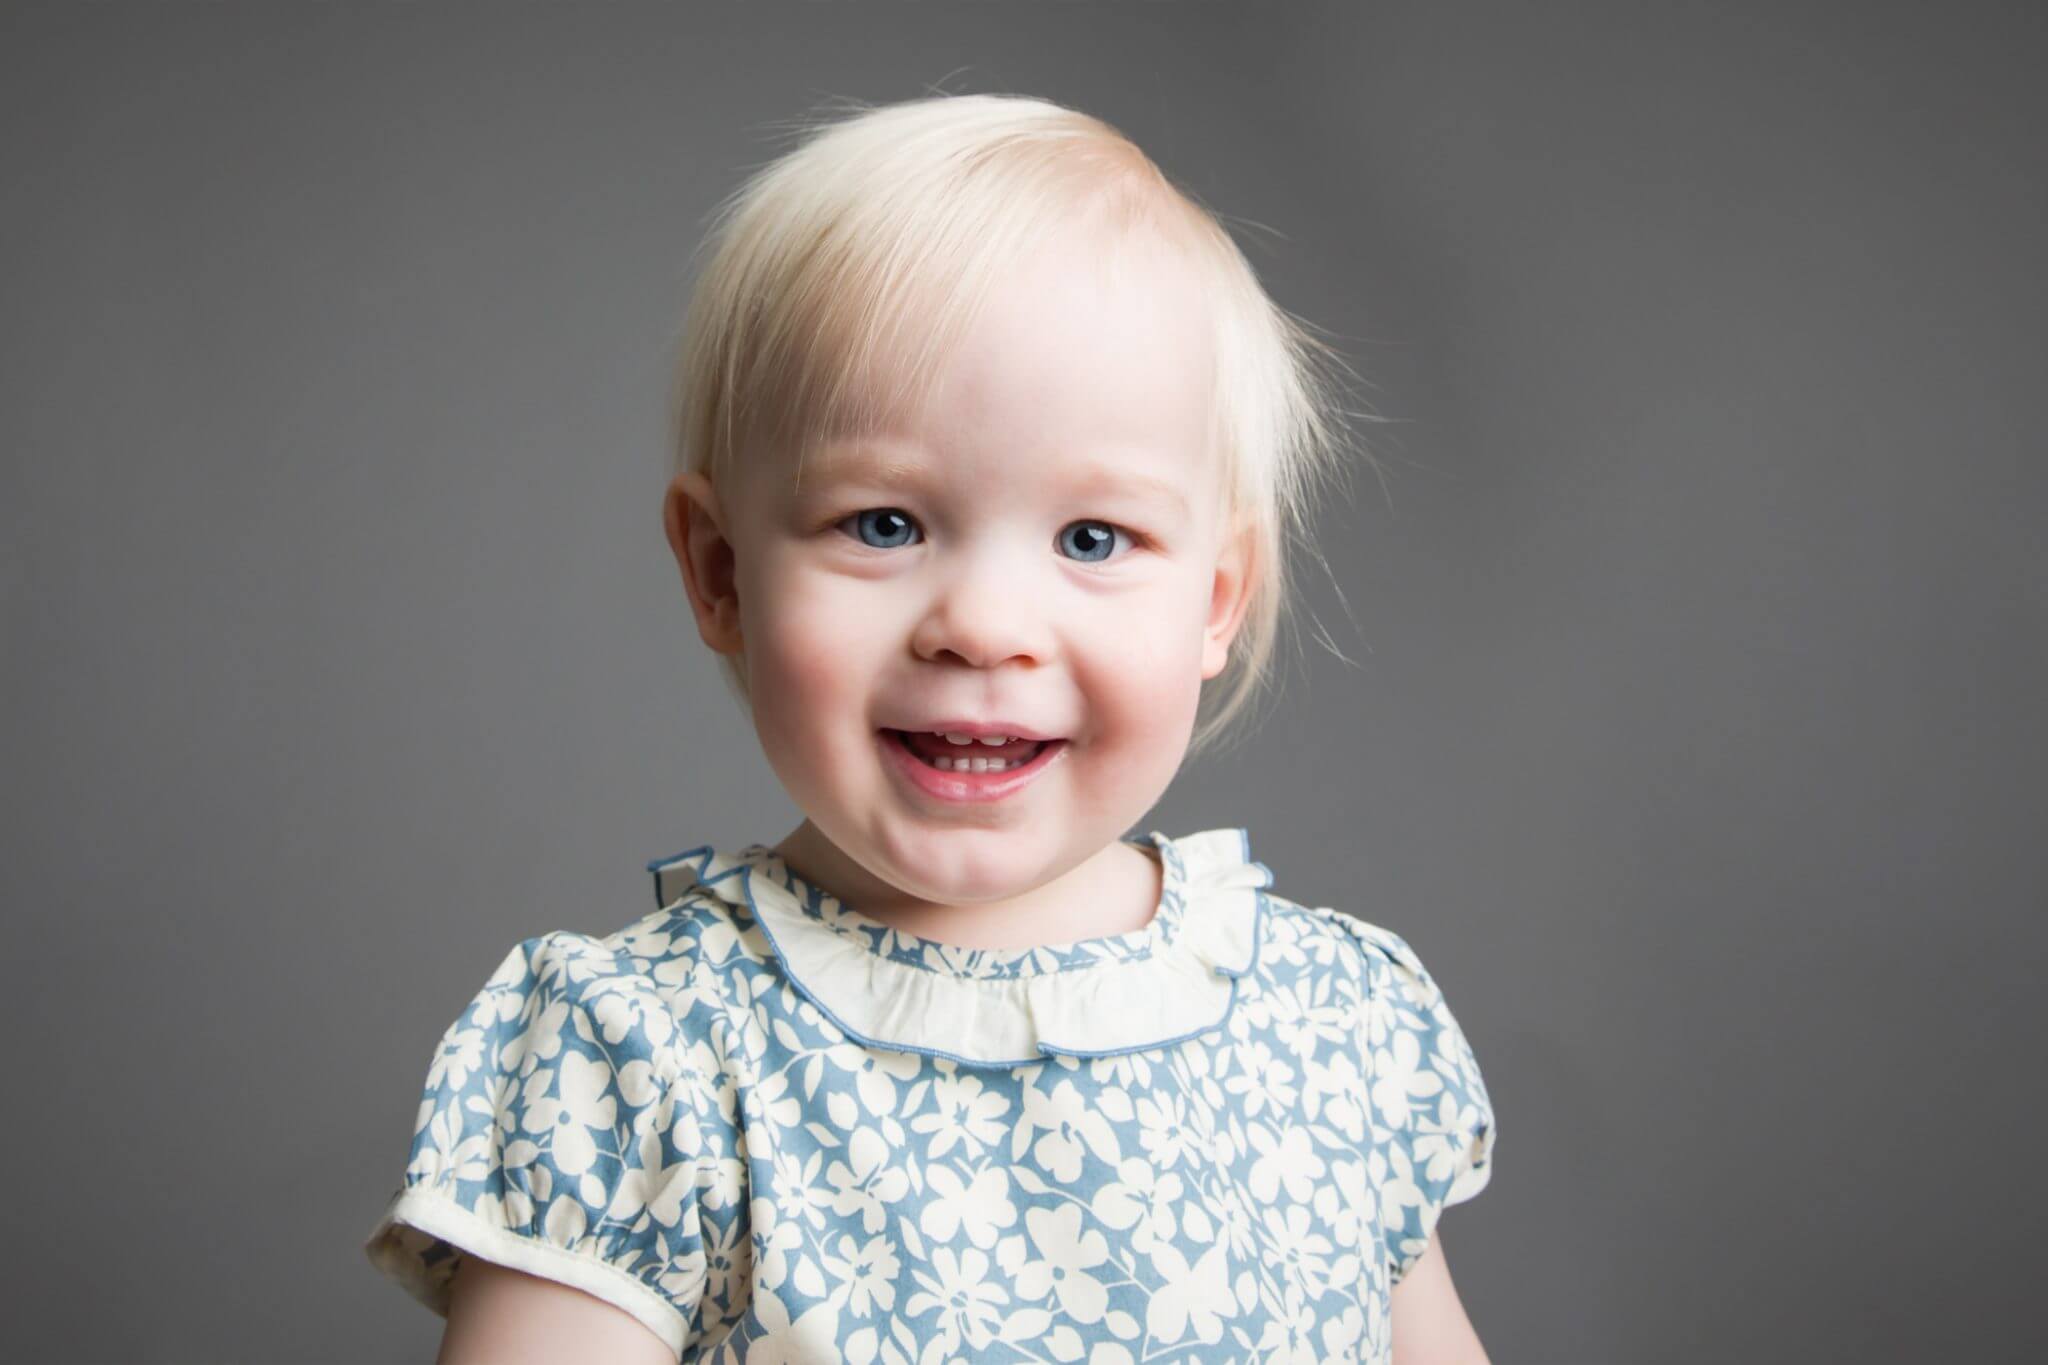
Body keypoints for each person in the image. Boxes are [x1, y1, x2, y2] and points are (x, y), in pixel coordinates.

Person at [363, 91, 1499, 1365]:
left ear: (1212, 603)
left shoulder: (1332, 1025)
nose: (982, 625)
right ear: (722, 574)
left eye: (1092, 538)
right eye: (884, 524)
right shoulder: (650, 1058)